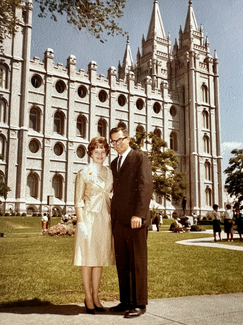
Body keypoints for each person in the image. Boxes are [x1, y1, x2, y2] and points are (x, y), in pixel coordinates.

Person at [109, 127, 153, 319]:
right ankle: (126, 300)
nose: (117, 144)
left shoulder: (139, 158)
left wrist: (139, 214)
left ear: (128, 138)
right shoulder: (114, 163)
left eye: (120, 140)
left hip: (135, 219)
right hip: (118, 221)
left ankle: (139, 303)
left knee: (137, 262)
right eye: (113, 141)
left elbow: (145, 186)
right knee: (123, 263)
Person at [72, 137, 115, 315]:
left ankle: (96, 296)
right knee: (87, 259)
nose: (100, 154)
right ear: (90, 153)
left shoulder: (111, 173)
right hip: (88, 218)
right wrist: (80, 222)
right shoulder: (83, 173)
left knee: (99, 260)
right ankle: (88, 297)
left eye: (103, 151)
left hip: (105, 219)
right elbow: (78, 200)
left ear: (106, 153)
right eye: (96, 151)